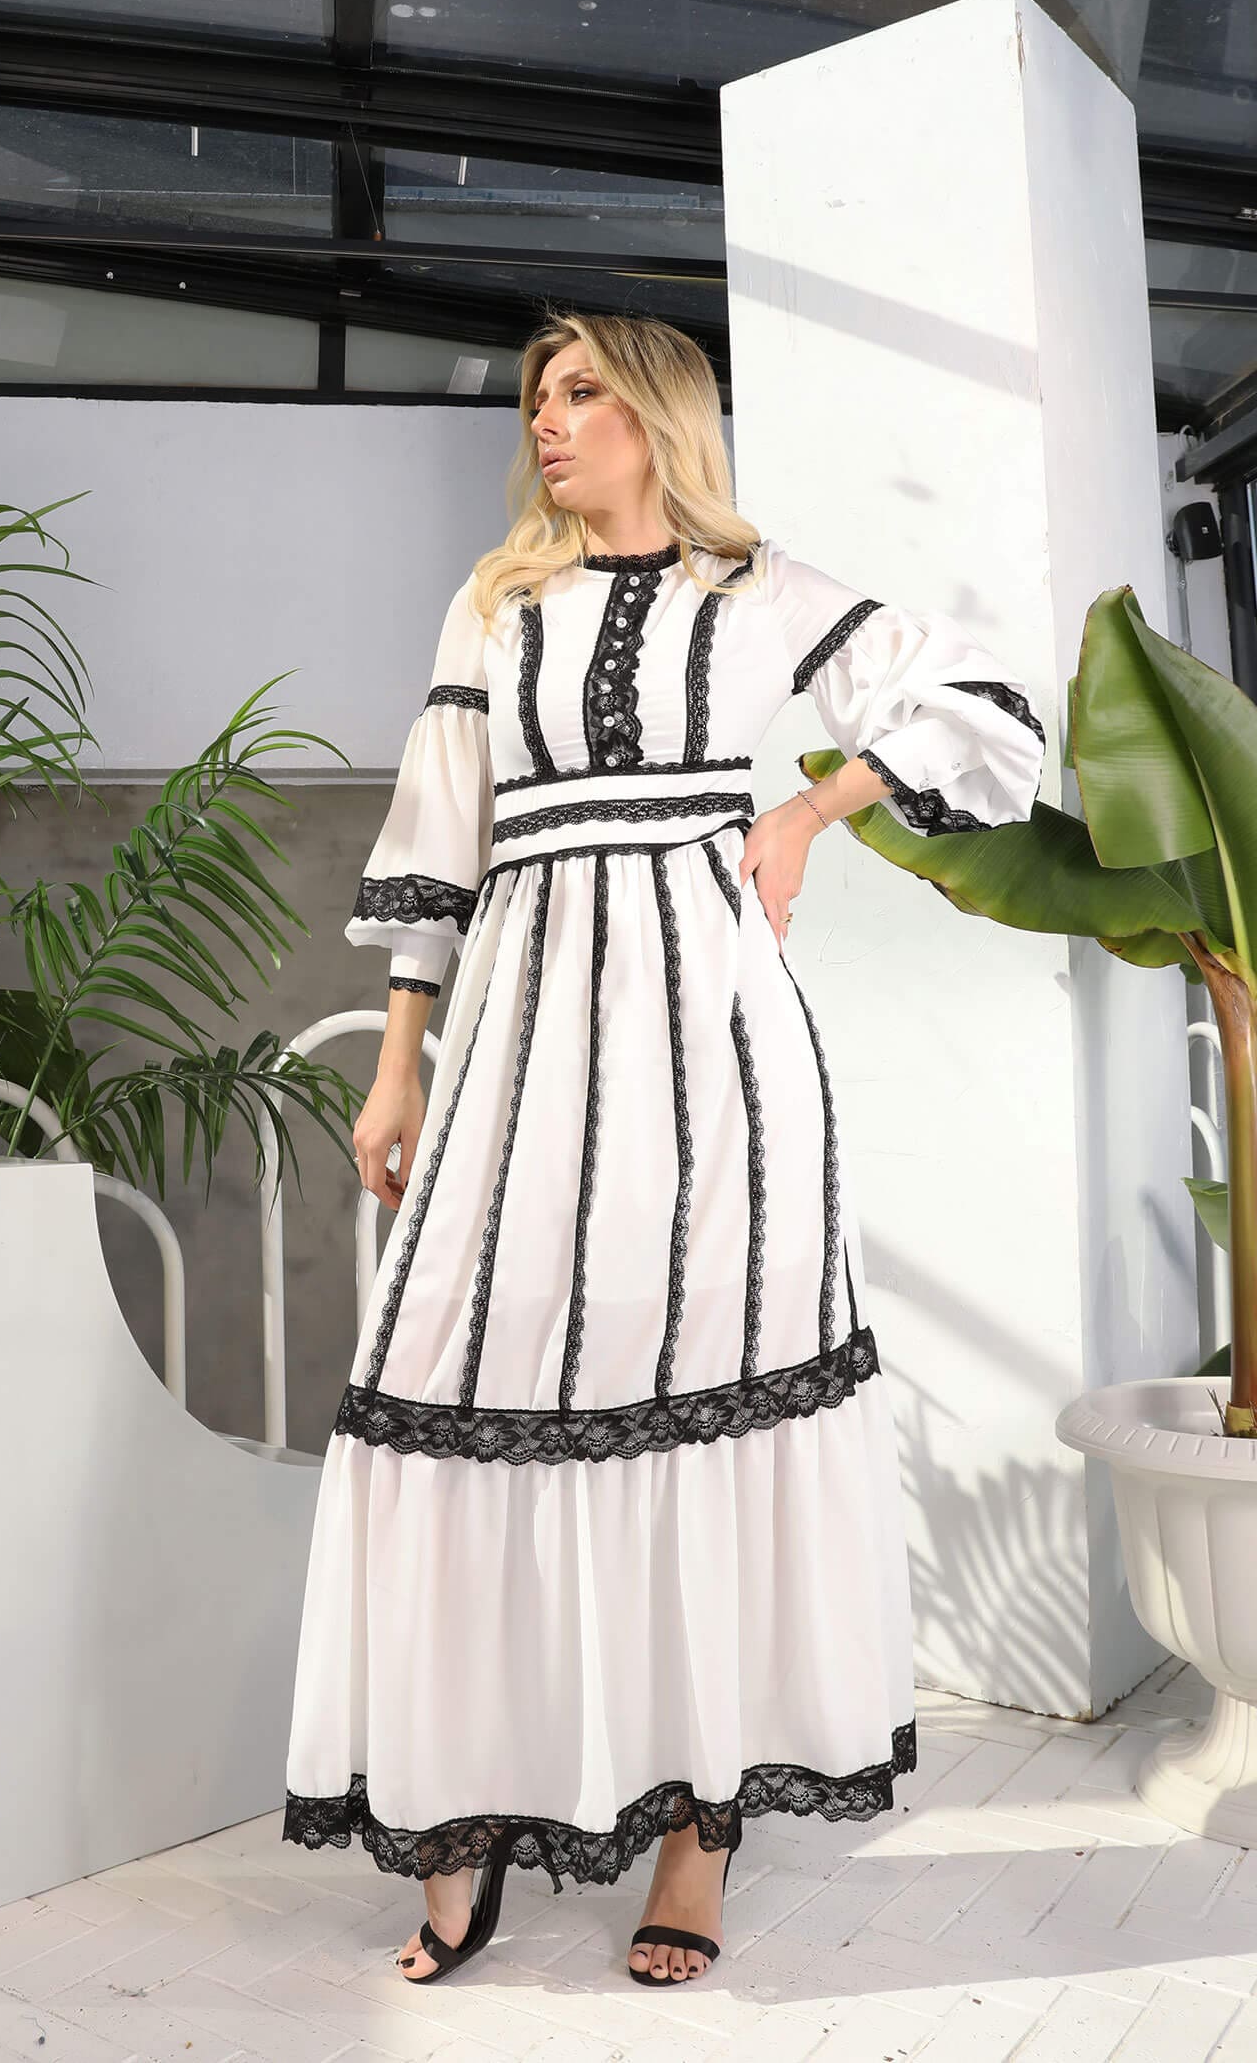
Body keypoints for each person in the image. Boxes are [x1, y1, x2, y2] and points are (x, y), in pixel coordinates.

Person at [281, 312, 1046, 1989]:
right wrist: (399, 1065)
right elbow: (440, 836)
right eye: (538, 397)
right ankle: (470, 1795)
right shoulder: (498, 603)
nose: (547, 422)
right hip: (521, 1037)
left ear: (658, 412)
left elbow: (987, 710)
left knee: (710, 1381)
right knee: (458, 1370)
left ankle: (702, 1827)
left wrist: (808, 809)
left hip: (717, 1051)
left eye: (582, 393)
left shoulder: (758, 593)